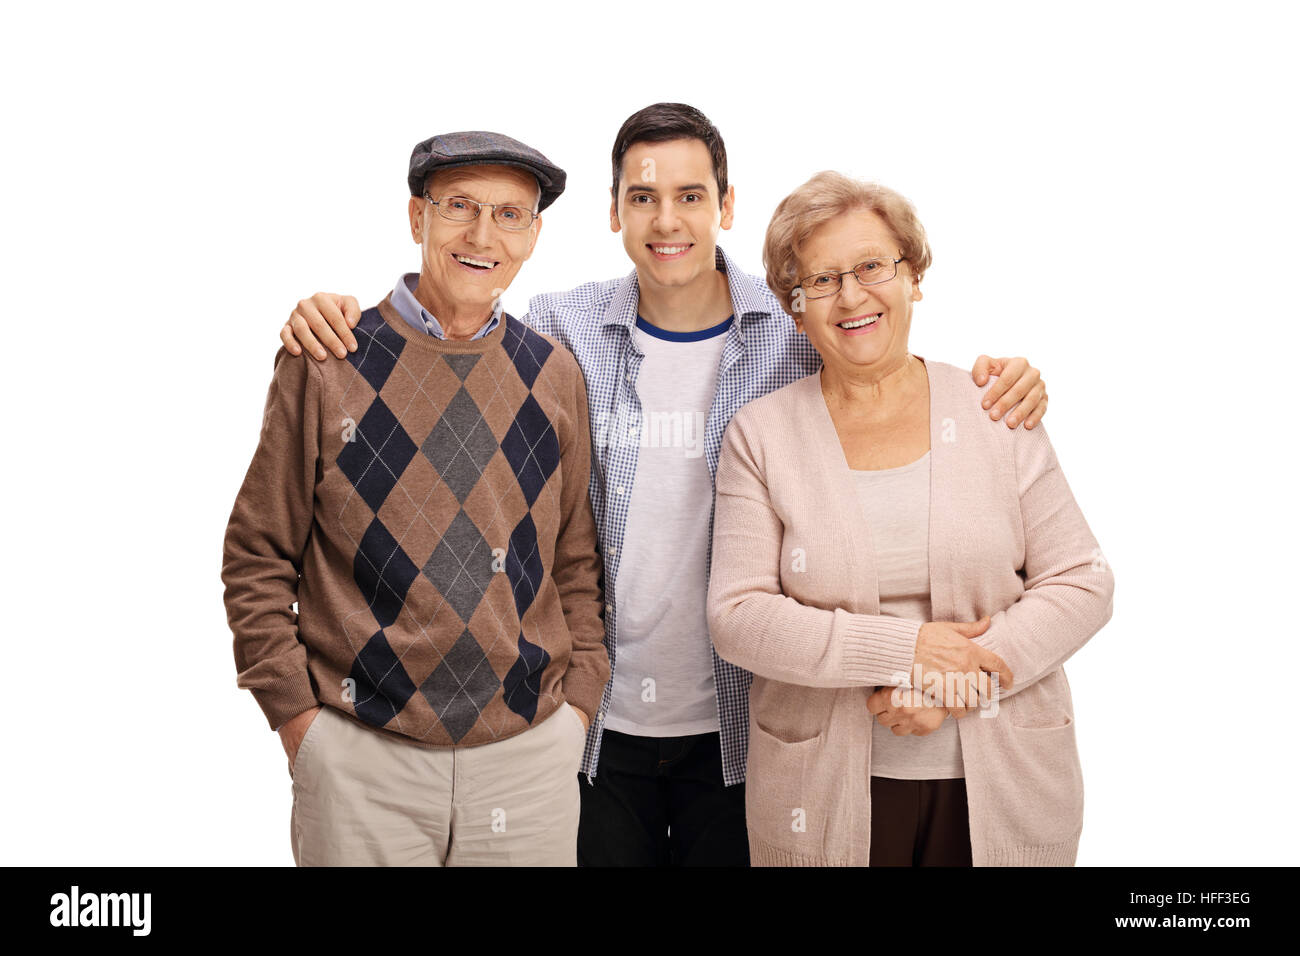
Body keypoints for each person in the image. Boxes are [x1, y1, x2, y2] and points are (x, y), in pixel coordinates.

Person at [277, 104, 1052, 867]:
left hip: (748, 731)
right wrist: (341, 315)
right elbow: (455, 322)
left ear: (727, 206)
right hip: (595, 732)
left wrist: (996, 382)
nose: (667, 220)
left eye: (690, 196)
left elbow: (881, 365)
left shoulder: (797, 330)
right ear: (614, 213)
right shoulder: (560, 329)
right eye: (642, 197)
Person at [221, 130, 607, 866]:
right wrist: (300, 724)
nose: (482, 235)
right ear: (415, 217)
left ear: (534, 235)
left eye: (510, 214)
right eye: (459, 206)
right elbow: (256, 555)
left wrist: (578, 709)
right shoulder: (328, 358)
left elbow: (574, 562)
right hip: (362, 759)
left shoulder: (553, 374)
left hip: (526, 762)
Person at [706, 171, 1115, 866]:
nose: (853, 295)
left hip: (1004, 780)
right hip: (826, 792)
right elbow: (738, 616)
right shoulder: (762, 435)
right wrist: (906, 652)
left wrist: (955, 682)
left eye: (872, 266)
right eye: (823, 280)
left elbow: (1083, 582)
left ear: (913, 278)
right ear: (795, 308)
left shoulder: (994, 410)